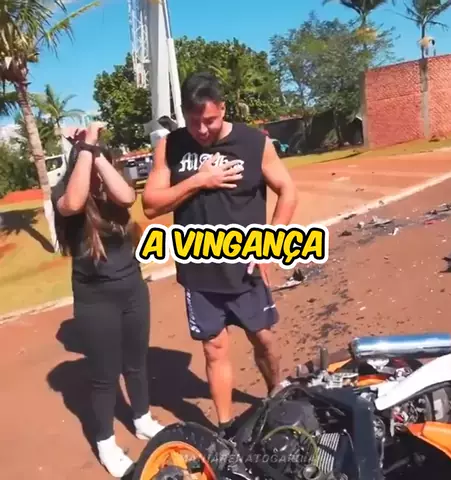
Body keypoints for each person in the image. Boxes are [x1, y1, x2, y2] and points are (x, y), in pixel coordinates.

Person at [142, 72, 298, 435]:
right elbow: (150, 205)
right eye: (193, 120)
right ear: (183, 114)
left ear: (223, 109)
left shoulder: (253, 142)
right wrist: (200, 180)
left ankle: (276, 392)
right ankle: (226, 428)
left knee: (263, 338)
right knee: (213, 348)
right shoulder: (171, 146)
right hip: (199, 271)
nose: (201, 129)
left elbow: (288, 191)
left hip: (246, 268)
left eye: (209, 120)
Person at [52, 122, 163, 478]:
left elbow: (128, 197)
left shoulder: (112, 192)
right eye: (87, 158)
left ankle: (142, 418)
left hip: (132, 288)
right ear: (77, 163)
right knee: (104, 377)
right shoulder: (63, 193)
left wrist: (95, 152)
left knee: (136, 364)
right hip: (95, 299)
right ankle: (105, 443)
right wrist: (85, 149)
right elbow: (73, 202)